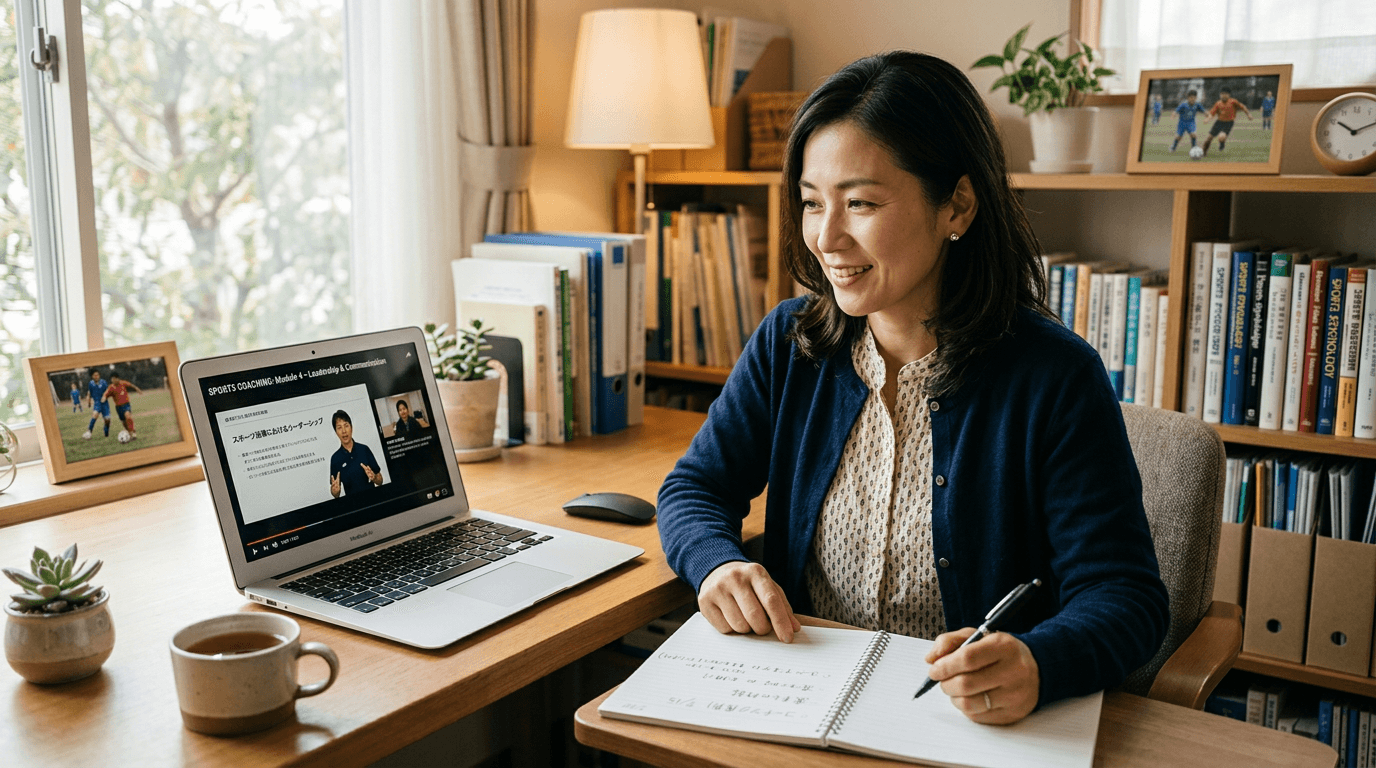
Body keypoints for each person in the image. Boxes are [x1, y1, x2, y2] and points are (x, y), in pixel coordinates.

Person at [656, 51, 1168, 726]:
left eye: (861, 203)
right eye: (813, 204)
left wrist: (1039, 661)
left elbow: (1125, 597)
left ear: (956, 204)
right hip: (798, 708)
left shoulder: (1054, 377)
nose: (827, 238)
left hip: (960, 726)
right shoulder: (791, 344)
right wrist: (717, 564)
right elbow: (695, 488)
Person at [328, 409, 384, 497]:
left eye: (346, 426)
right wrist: (335, 491)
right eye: (339, 427)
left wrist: (374, 478)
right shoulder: (335, 458)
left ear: (351, 428)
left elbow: (380, 481)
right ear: (336, 432)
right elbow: (335, 493)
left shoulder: (364, 449)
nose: (344, 431)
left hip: (373, 499)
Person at [1200, 87, 1253, 156]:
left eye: (1225, 94)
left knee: (1221, 137)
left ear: (1229, 95)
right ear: (1220, 95)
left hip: (1229, 123)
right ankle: (1203, 152)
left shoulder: (1233, 102)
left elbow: (1243, 107)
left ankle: (1222, 143)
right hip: (1219, 122)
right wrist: (1207, 119)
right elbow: (1212, 113)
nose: (1223, 95)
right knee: (1208, 138)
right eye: (1222, 94)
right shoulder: (1218, 103)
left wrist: (1248, 114)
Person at [102, 375, 143, 439]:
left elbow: (131, 385)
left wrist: (137, 388)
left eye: (114, 379)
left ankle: (132, 433)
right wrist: (104, 398)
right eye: (112, 379)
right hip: (118, 407)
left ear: (118, 379)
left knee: (128, 416)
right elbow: (106, 393)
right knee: (124, 422)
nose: (113, 380)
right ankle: (130, 432)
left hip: (126, 404)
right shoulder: (111, 387)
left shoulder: (123, 383)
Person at [83, 370, 112, 439]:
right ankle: (89, 432)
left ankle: (106, 433)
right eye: (95, 375)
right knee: (95, 414)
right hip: (97, 403)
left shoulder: (103, 382)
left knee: (107, 420)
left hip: (105, 404)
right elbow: (89, 392)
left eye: (97, 375)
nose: (96, 376)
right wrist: (89, 402)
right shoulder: (91, 383)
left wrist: (105, 396)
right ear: (92, 376)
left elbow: (108, 391)